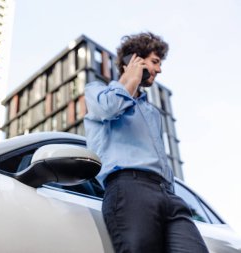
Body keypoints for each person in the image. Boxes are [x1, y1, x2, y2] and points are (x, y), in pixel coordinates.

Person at [84, 32, 209, 253]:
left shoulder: (152, 112)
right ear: (134, 60)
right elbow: (107, 109)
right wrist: (130, 81)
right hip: (130, 190)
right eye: (154, 62)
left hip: (169, 196)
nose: (159, 70)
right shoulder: (97, 91)